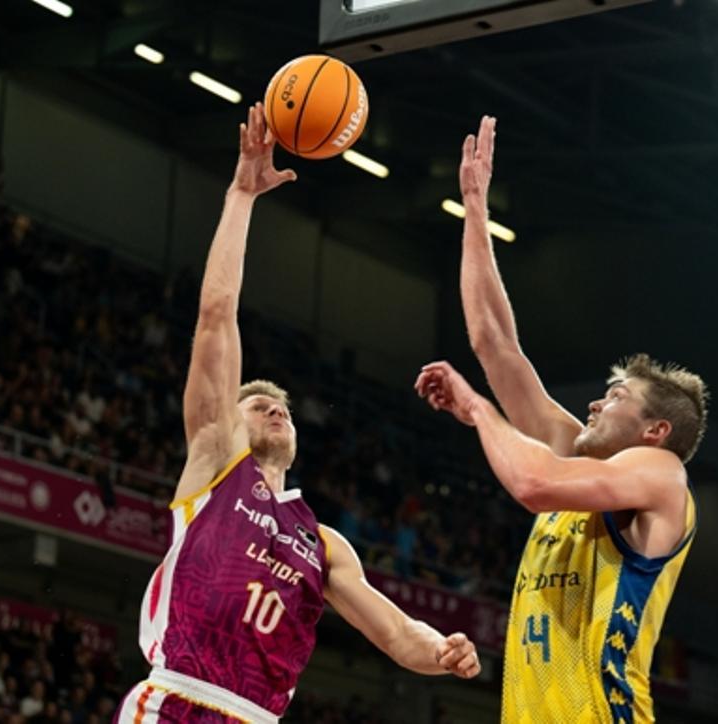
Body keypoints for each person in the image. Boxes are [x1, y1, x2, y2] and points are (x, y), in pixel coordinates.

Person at [117, 103, 480, 724]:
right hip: (180, 698)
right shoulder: (213, 469)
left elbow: (396, 634)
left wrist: (440, 651)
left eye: (282, 406)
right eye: (258, 405)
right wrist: (241, 196)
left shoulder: (323, 543)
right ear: (229, 423)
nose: (275, 410)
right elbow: (216, 316)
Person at [415, 116, 707, 724]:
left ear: (656, 431)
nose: (597, 403)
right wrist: (474, 209)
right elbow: (493, 344)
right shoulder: (574, 451)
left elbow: (532, 485)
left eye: (617, 395)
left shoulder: (661, 475)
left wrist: (476, 410)